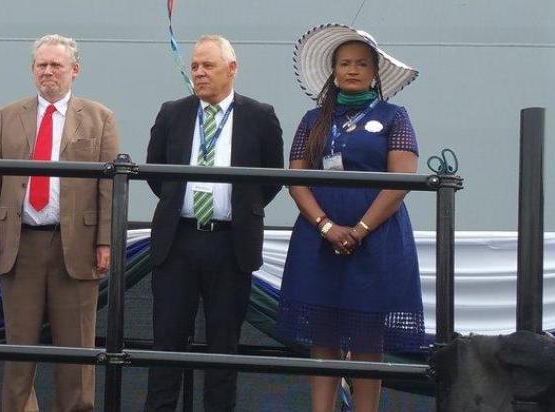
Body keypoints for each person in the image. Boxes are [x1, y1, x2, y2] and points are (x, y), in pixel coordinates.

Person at [277, 24, 424, 412]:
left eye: (361, 63)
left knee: (366, 340)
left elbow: (400, 181)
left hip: (377, 240)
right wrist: (326, 226)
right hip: (317, 239)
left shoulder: (395, 117)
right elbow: (296, 180)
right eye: (344, 63)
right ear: (333, 71)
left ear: (375, 72)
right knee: (322, 336)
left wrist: (359, 230)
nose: (352, 70)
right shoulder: (312, 119)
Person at [0, 34, 119, 412]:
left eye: (56, 65)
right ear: (32, 70)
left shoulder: (100, 117)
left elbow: (109, 187)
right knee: (19, 350)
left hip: (77, 246)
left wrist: (105, 242)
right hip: (20, 245)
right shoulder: (8, 115)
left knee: (77, 352)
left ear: (75, 70)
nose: (49, 72)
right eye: (42, 65)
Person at [144, 34, 284, 412]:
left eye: (208, 65)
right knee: (167, 345)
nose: (199, 73)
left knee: (224, 347)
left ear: (232, 69)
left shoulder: (259, 115)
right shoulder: (172, 112)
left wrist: (239, 209)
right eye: (194, 66)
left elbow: (271, 178)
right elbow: (157, 175)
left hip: (230, 244)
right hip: (178, 242)